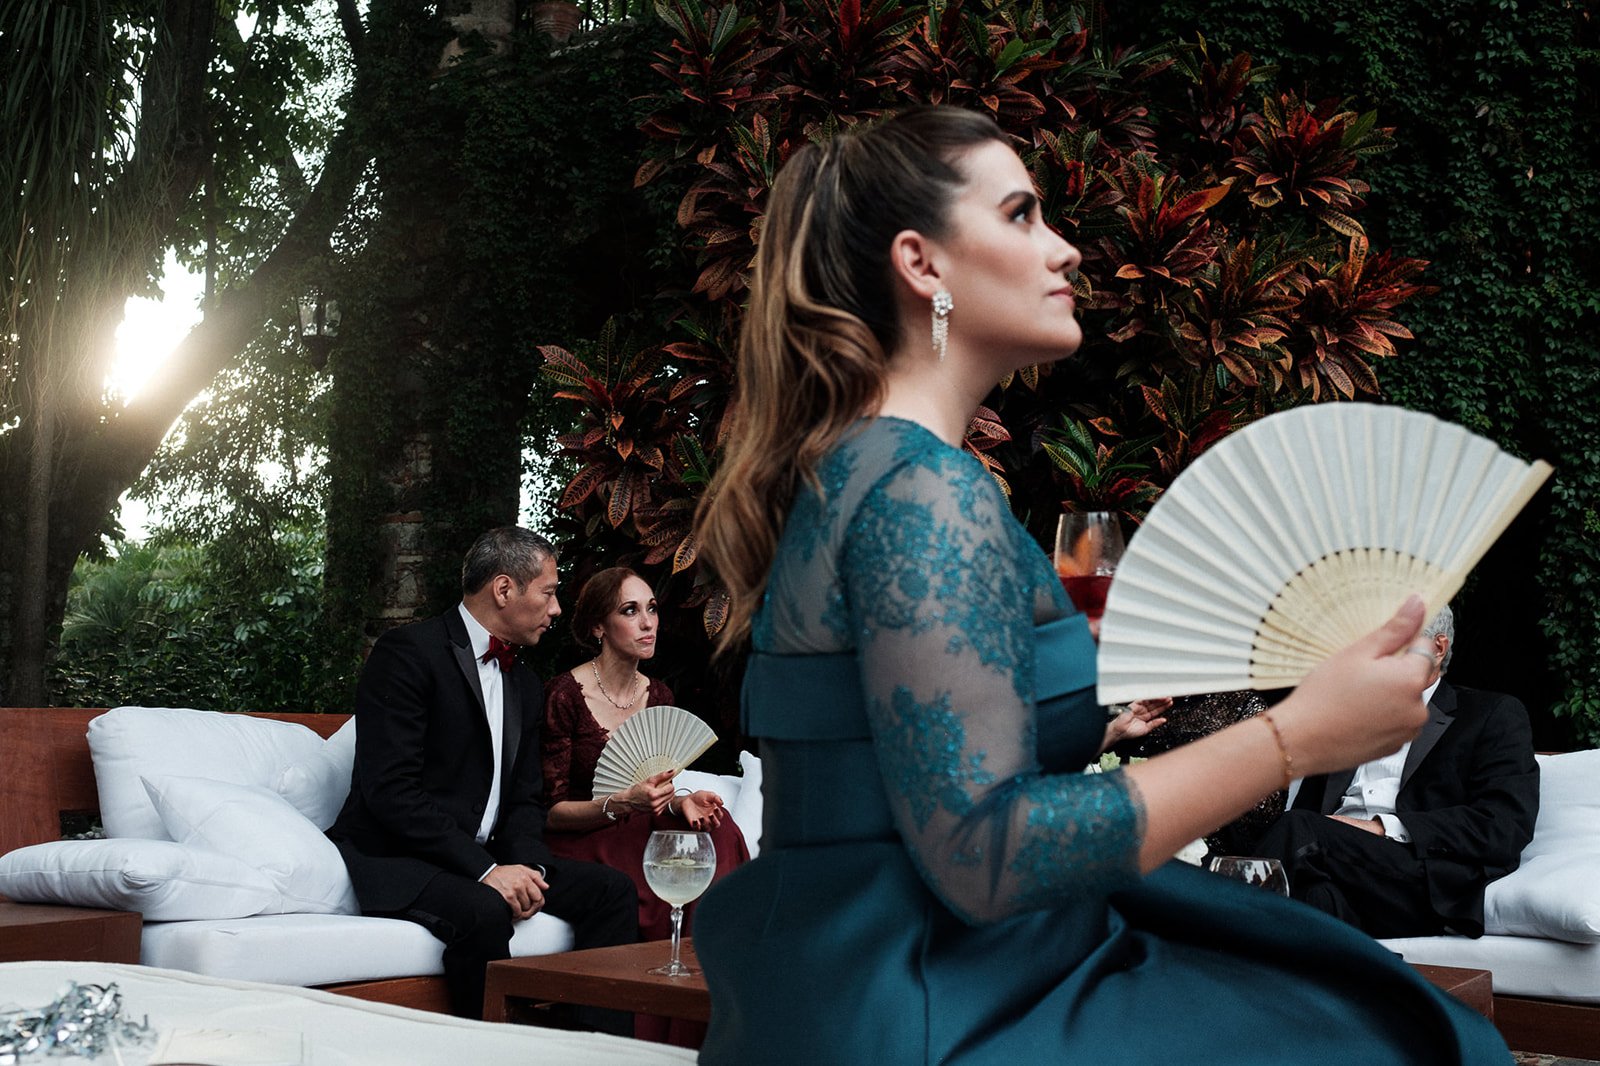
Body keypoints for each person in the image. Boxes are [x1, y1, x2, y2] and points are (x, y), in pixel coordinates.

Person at [688, 106, 1510, 1064]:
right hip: (937, 999)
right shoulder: (924, 490)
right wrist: (1298, 735)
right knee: (1414, 1039)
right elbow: (987, 856)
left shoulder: (863, 471)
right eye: (1021, 214)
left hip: (866, 974)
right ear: (923, 264)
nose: (1066, 248)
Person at [327, 527, 636, 1029]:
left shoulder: (525, 684)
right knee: (485, 909)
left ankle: (598, 1051)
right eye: (549, 593)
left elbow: (526, 799)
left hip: (489, 857)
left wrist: (528, 867)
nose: (557, 609)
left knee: (612, 891)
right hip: (400, 857)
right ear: (504, 589)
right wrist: (487, 871)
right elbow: (391, 792)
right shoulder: (407, 653)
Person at [542, 566, 751, 1044]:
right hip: (581, 836)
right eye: (630, 611)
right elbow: (548, 810)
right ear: (598, 626)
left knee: (718, 830)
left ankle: (710, 1014)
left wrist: (683, 803)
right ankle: (656, 1027)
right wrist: (620, 802)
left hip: (639, 827)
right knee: (666, 859)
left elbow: (658, 792)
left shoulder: (658, 694)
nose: (647, 623)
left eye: (652, 609)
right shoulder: (564, 694)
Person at [1253, 604, 1539, 937]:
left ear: (1438, 648)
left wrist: (1379, 827)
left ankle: (1218, 927)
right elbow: (1312, 808)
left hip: (1418, 874)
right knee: (1317, 898)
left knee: (1297, 829)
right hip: (1337, 868)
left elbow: (1504, 826)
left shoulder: (1491, 714)